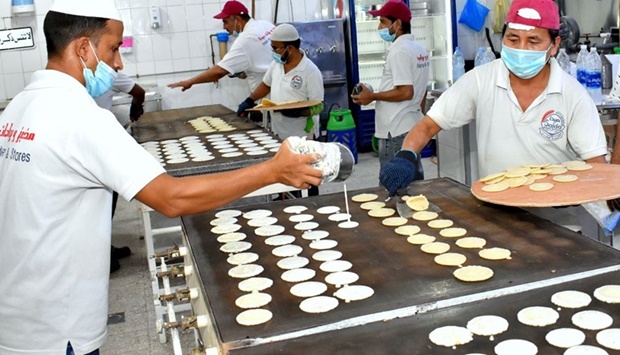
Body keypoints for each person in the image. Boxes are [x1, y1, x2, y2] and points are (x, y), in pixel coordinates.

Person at [0, 1, 322, 354]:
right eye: (112, 49)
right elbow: (172, 198)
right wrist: (271, 171)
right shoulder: (81, 118)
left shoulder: (19, 107)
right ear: (82, 48)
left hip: (17, 314)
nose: (118, 63)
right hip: (58, 329)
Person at [379, 0, 610, 226]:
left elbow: (596, 164)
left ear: (554, 44)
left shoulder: (572, 95)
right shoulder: (482, 80)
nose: (521, 49)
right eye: (513, 39)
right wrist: (406, 157)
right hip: (495, 217)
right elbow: (429, 124)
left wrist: (570, 194)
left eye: (533, 41)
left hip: (558, 223)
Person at [238, 24, 324, 197]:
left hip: (302, 137)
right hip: (279, 132)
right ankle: (284, 200)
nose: (273, 52)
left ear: (290, 48)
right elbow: (266, 85)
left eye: (275, 48)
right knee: (284, 177)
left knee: (305, 180)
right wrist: (250, 100)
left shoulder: (310, 71)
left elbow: (318, 106)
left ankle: (310, 208)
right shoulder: (276, 65)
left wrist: (298, 112)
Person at [351, 0, 430, 171]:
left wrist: (371, 96)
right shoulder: (419, 50)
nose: (379, 27)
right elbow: (422, 90)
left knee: (393, 182)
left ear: (398, 24)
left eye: (383, 22)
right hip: (411, 125)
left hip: (395, 130)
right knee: (412, 179)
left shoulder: (399, 50)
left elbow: (406, 92)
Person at [95, 72, 146, 273]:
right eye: (113, 49)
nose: (118, 62)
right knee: (94, 205)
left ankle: (104, 247)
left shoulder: (105, 74)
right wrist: (137, 103)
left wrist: (136, 105)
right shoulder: (100, 73)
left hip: (103, 145)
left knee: (108, 199)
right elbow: (139, 92)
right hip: (88, 146)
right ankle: (97, 257)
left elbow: (138, 92)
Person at [167, 1, 274, 95]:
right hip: (279, 87)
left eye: (225, 21)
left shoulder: (245, 39)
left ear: (237, 19)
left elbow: (219, 71)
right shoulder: (265, 25)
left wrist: (189, 82)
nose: (224, 27)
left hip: (268, 95)